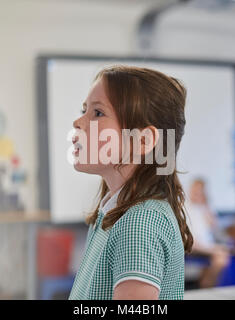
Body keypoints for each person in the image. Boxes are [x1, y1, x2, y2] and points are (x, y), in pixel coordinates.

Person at [68, 65, 193, 300]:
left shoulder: (140, 223)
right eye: (84, 110)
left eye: (97, 113)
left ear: (143, 140)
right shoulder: (111, 214)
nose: (78, 121)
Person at [186, 178, 232, 288]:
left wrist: (206, 207)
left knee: (221, 259)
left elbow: (214, 228)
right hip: (193, 245)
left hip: (206, 245)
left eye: (200, 191)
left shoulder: (205, 208)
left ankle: (205, 285)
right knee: (221, 254)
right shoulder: (184, 206)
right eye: (195, 190)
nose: (197, 194)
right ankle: (205, 287)